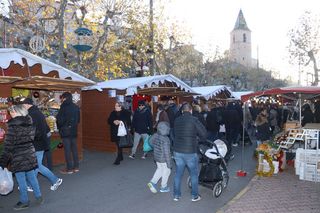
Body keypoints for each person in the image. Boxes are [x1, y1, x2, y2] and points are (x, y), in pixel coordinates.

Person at [0, 105, 43, 210]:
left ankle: (24, 201)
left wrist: (3, 162)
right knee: (32, 177)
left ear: (18, 113)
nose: (11, 114)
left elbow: (8, 147)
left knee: (21, 180)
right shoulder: (30, 124)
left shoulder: (13, 127)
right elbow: (38, 135)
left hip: (18, 157)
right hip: (29, 155)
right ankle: (39, 196)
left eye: (13, 112)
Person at [21, 98, 63, 191]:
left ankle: (55, 180)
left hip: (37, 143)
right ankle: (30, 184)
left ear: (27, 105)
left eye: (23, 105)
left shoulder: (32, 114)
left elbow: (35, 131)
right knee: (36, 165)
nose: (23, 107)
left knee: (37, 166)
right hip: (40, 143)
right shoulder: (37, 112)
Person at [172, 103, 207, 202]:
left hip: (177, 151)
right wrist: (198, 139)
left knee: (178, 173)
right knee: (194, 174)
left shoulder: (177, 120)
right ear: (191, 110)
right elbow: (204, 134)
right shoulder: (194, 120)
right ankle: (194, 196)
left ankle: (176, 195)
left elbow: (174, 133)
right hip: (190, 151)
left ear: (182, 111)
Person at [56, 92, 80, 174]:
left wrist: (60, 127)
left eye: (62, 98)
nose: (61, 99)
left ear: (65, 98)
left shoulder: (63, 106)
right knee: (74, 149)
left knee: (67, 150)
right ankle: (76, 167)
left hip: (65, 132)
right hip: (74, 131)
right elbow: (78, 120)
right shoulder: (76, 107)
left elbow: (59, 120)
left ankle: (69, 169)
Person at [147, 122, 171, 193]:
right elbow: (167, 153)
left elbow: (150, 141)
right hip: (163, 159)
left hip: (156, 156)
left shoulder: (155, 135)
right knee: (167, 171)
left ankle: (152, 182)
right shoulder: (166, 139)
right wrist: (169, 164)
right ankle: (163, 187)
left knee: (160, 169)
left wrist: (155, 148)